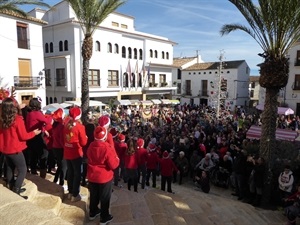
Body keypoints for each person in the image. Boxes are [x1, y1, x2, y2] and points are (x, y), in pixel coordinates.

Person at [0, 97, 41, 198]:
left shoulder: (1, 118)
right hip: (15, 150)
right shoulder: (17, 120)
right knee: (22, 169)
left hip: (5, 149)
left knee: (10, 167)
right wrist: (34, 133)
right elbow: (24, 136)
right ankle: (16, 190)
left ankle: (11, 185)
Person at [87, 126, 119, 224]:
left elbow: (88, 156)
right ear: (105, 137)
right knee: (105, 198)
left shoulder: (91, 145)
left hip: (92, 176)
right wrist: (117, 159)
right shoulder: (107, 148)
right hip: (104, 177)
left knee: (94, 195)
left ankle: (92, 212)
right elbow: (113, 165)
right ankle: (104, 217)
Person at [64, 107, 87, 202]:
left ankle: (70, 192)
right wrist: (86, 137)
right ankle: (75, 194)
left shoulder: (65, 124)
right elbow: (84, 143)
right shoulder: (80, 127)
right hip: (76, 153)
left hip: (67, 152)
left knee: (70, 172)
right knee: (77, 174)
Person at [25, 97, 53, 178]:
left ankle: (33, 172)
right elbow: (47, 122)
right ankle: (42, 176)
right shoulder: (37, 113)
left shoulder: (29, 114)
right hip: (37, 137)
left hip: (30, 137)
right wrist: (51, 117)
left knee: (33, 155)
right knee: (44, 154)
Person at [51, 108, 67, 186]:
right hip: (60, 148)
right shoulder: (61, 126)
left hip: (55, 147)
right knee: (63, 166)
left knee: (60, 165)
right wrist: (65, 148)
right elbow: (61, 139)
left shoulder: (55, 125)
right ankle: (61, 183)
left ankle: (55, 180)